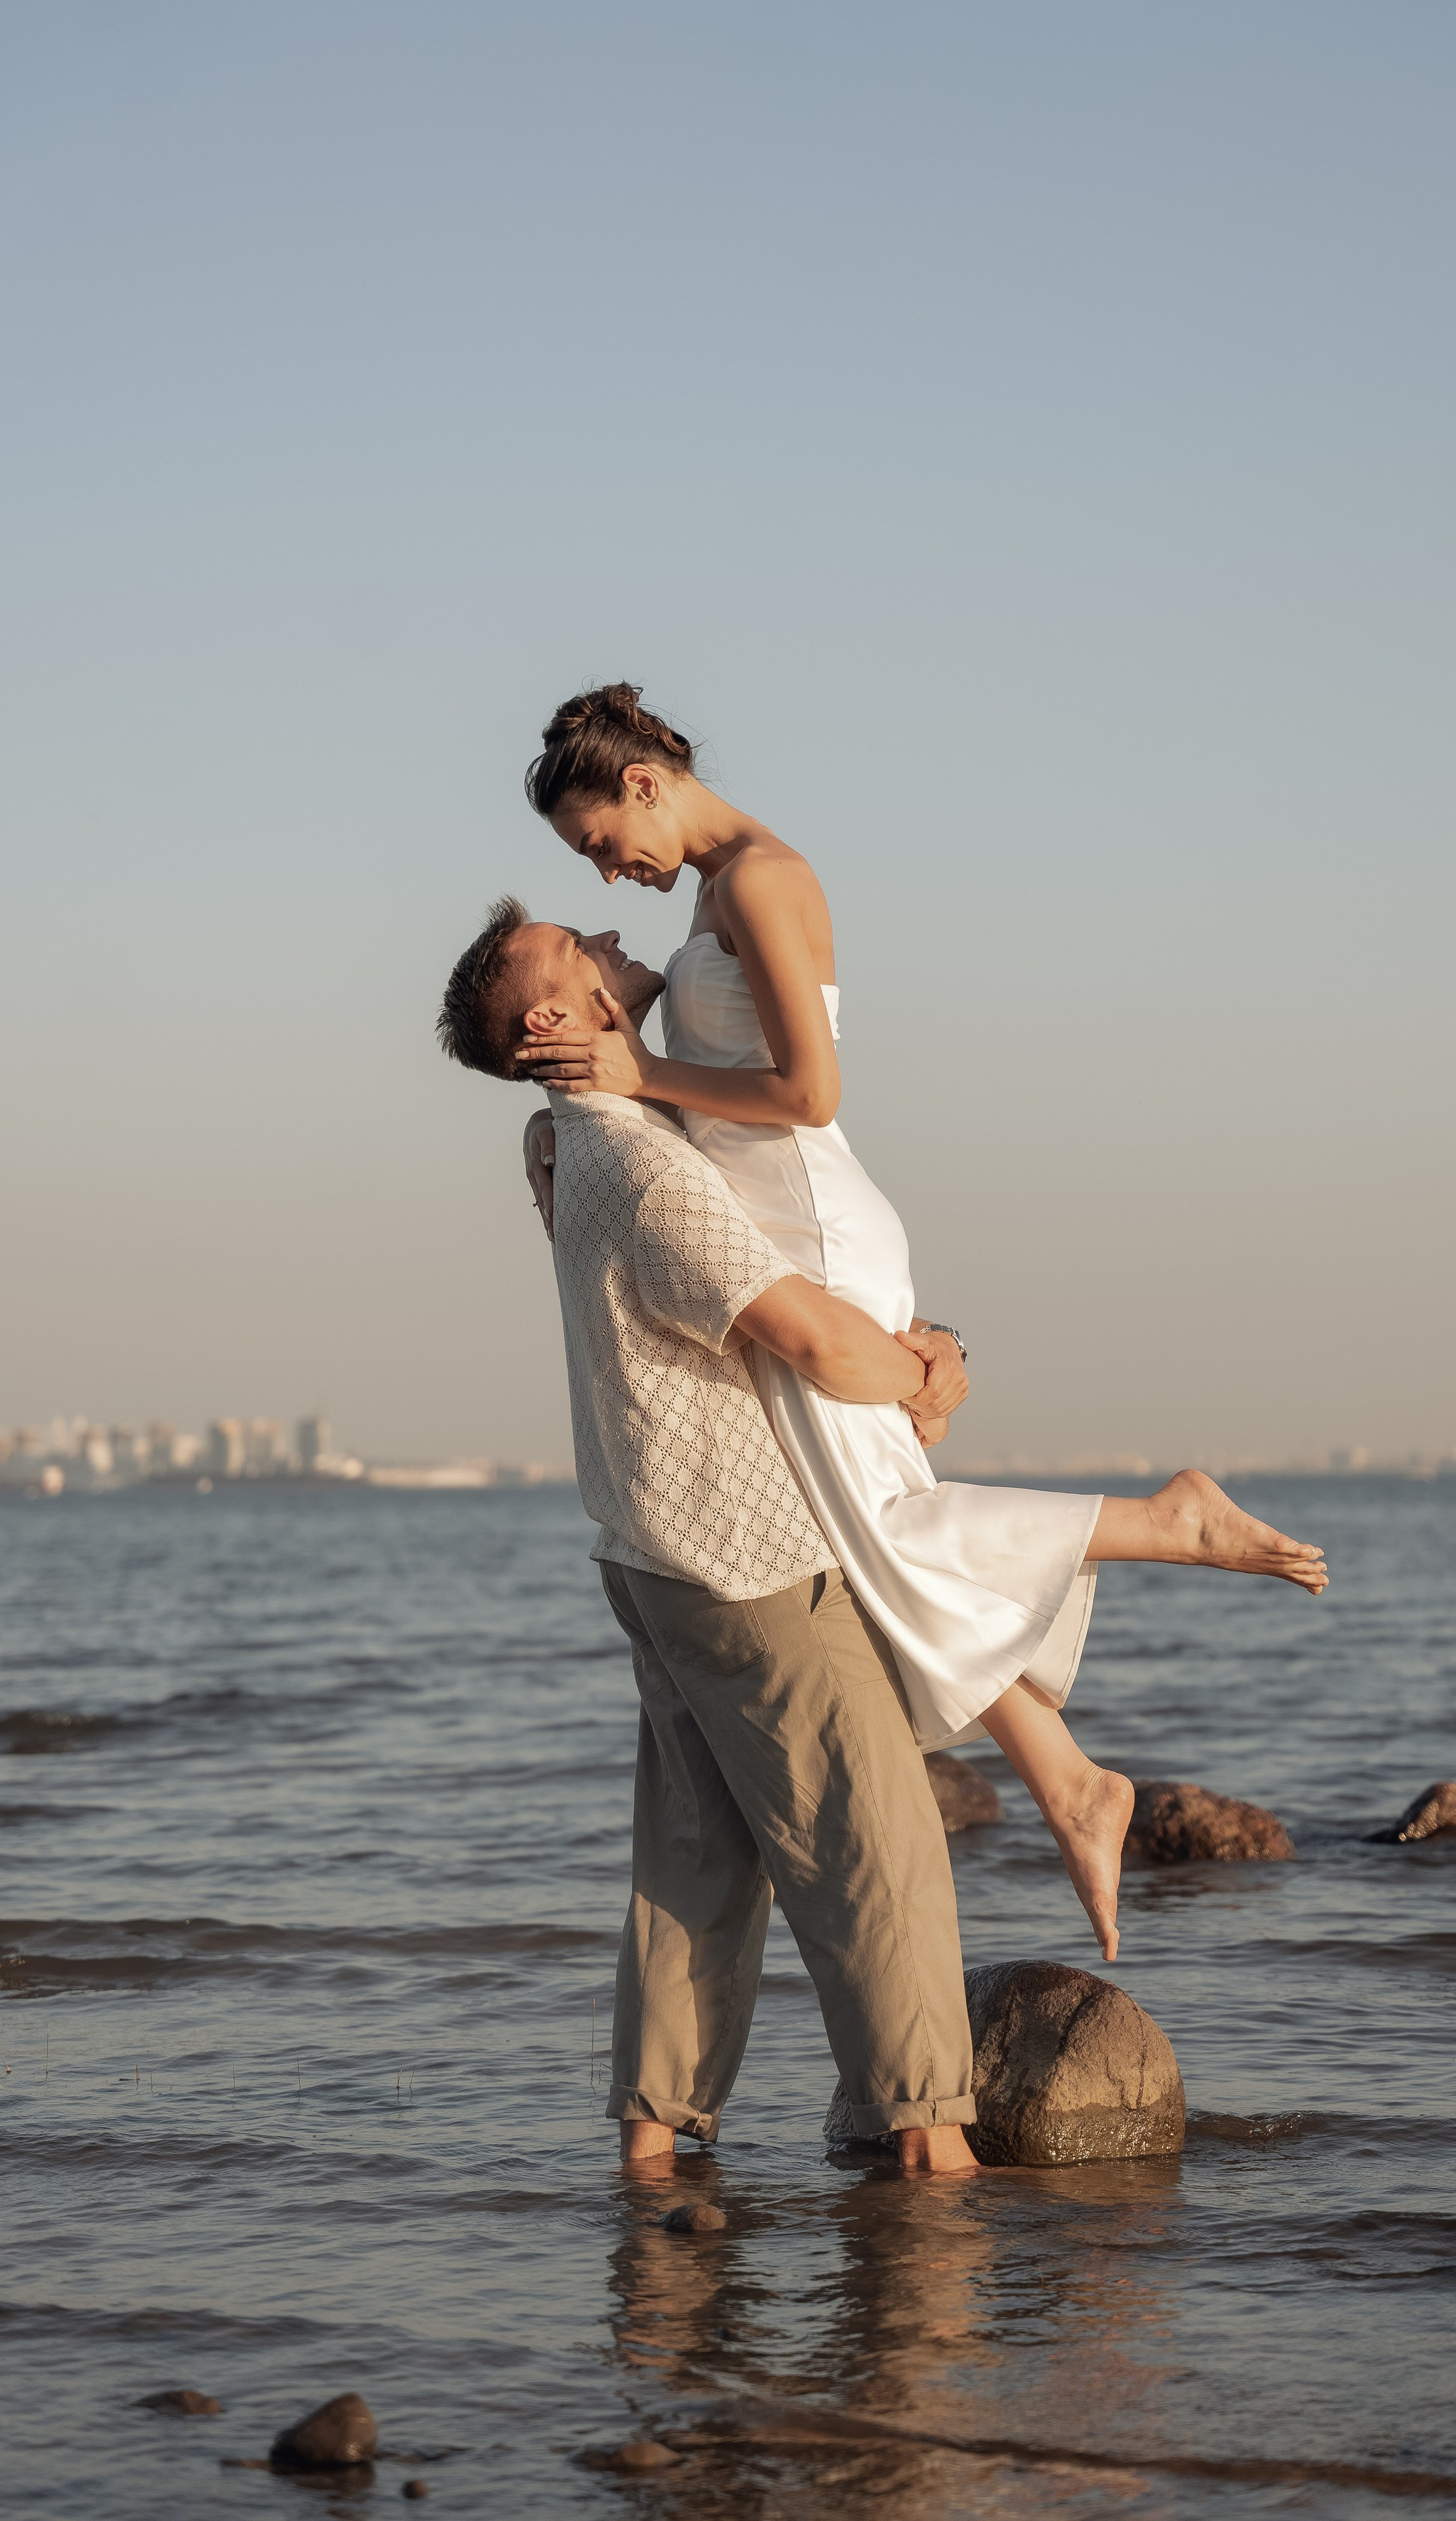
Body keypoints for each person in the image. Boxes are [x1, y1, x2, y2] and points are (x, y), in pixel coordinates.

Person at [511, 685, 1329, 1963]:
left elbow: (809, 1090)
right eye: (588, 862)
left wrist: (640, 1072)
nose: (610, 872)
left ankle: (1167, 1527)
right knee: (871, 1536)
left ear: (645, 784)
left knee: (881, 1532)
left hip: (810, 1221)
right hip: (779, 1224)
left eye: (601, 841)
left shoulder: (763, 879)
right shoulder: (722, 889)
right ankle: (1069, 1782)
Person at [438, 902, 983, 2176]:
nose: (607, 932)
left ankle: (651, 2145)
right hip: (747, 1564)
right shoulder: (637, 1167)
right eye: (577, 945)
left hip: (654, 1556)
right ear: (557, 1018)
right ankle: (931, 2148)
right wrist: (932, 1366)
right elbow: (809, 1337)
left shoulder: (582, 1142)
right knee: (874, 1848)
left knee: (698, 1861)